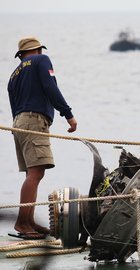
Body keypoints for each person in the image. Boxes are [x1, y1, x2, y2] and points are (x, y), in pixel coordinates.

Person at [7, 37, 77, 240]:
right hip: (34, 121)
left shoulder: (14, 75)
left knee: (32, 173)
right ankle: (22, 222)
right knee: (36, 174)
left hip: (18, 123)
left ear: (21, 55)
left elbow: (14, 105)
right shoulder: (41, 60)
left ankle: (28, 221)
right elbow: (50, 86)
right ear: (37, 50)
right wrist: (68, 114)